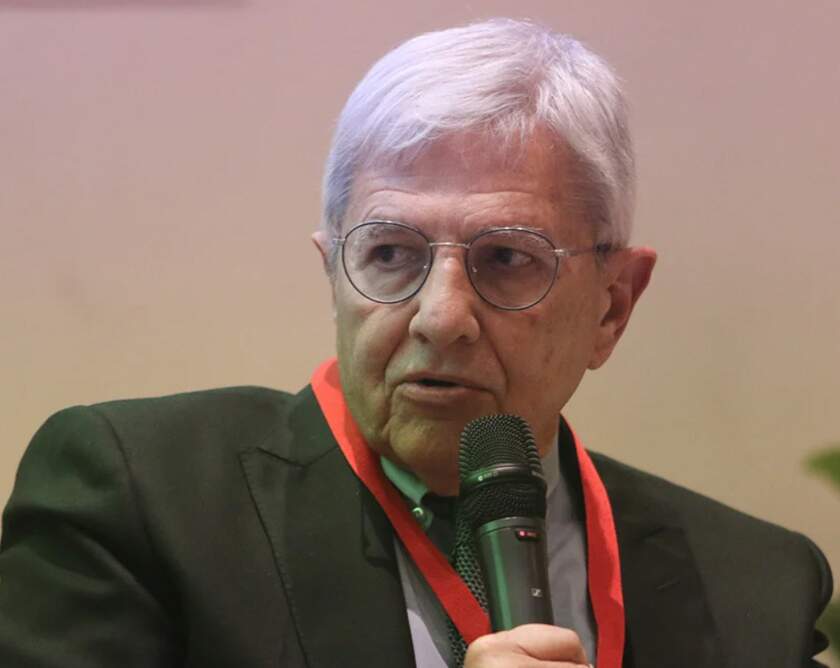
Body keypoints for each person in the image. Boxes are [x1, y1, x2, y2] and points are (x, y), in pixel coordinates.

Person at [0, 18, 832, 668]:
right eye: (391, 253)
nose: (441, 317)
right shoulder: (144, 499)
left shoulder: (756, 586)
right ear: (334, 275)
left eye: (505, 259)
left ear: (613, 307)